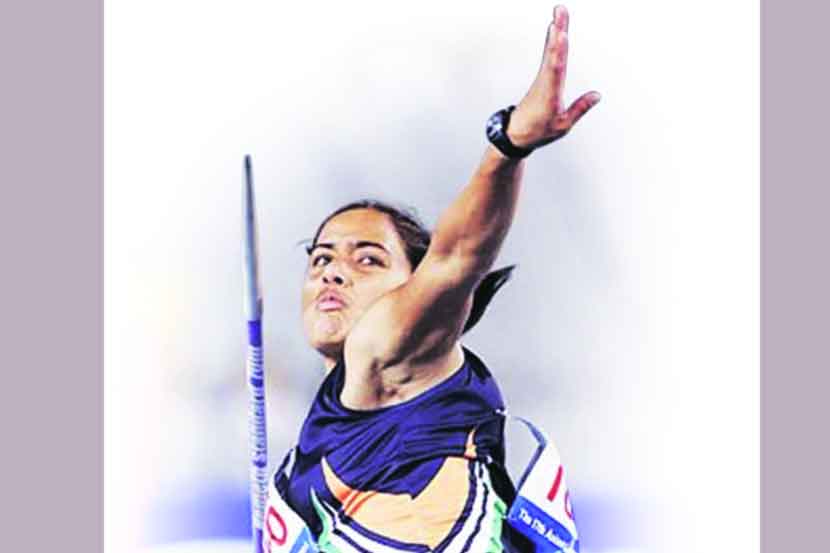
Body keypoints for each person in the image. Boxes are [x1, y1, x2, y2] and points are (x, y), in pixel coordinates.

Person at [264, 5, 600, 552]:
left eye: (368, 259)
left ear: (417, 287)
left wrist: (508, 147)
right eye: (320, 259)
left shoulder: (384, 353)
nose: (334, 272)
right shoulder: (300, 467)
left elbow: (458, 255)